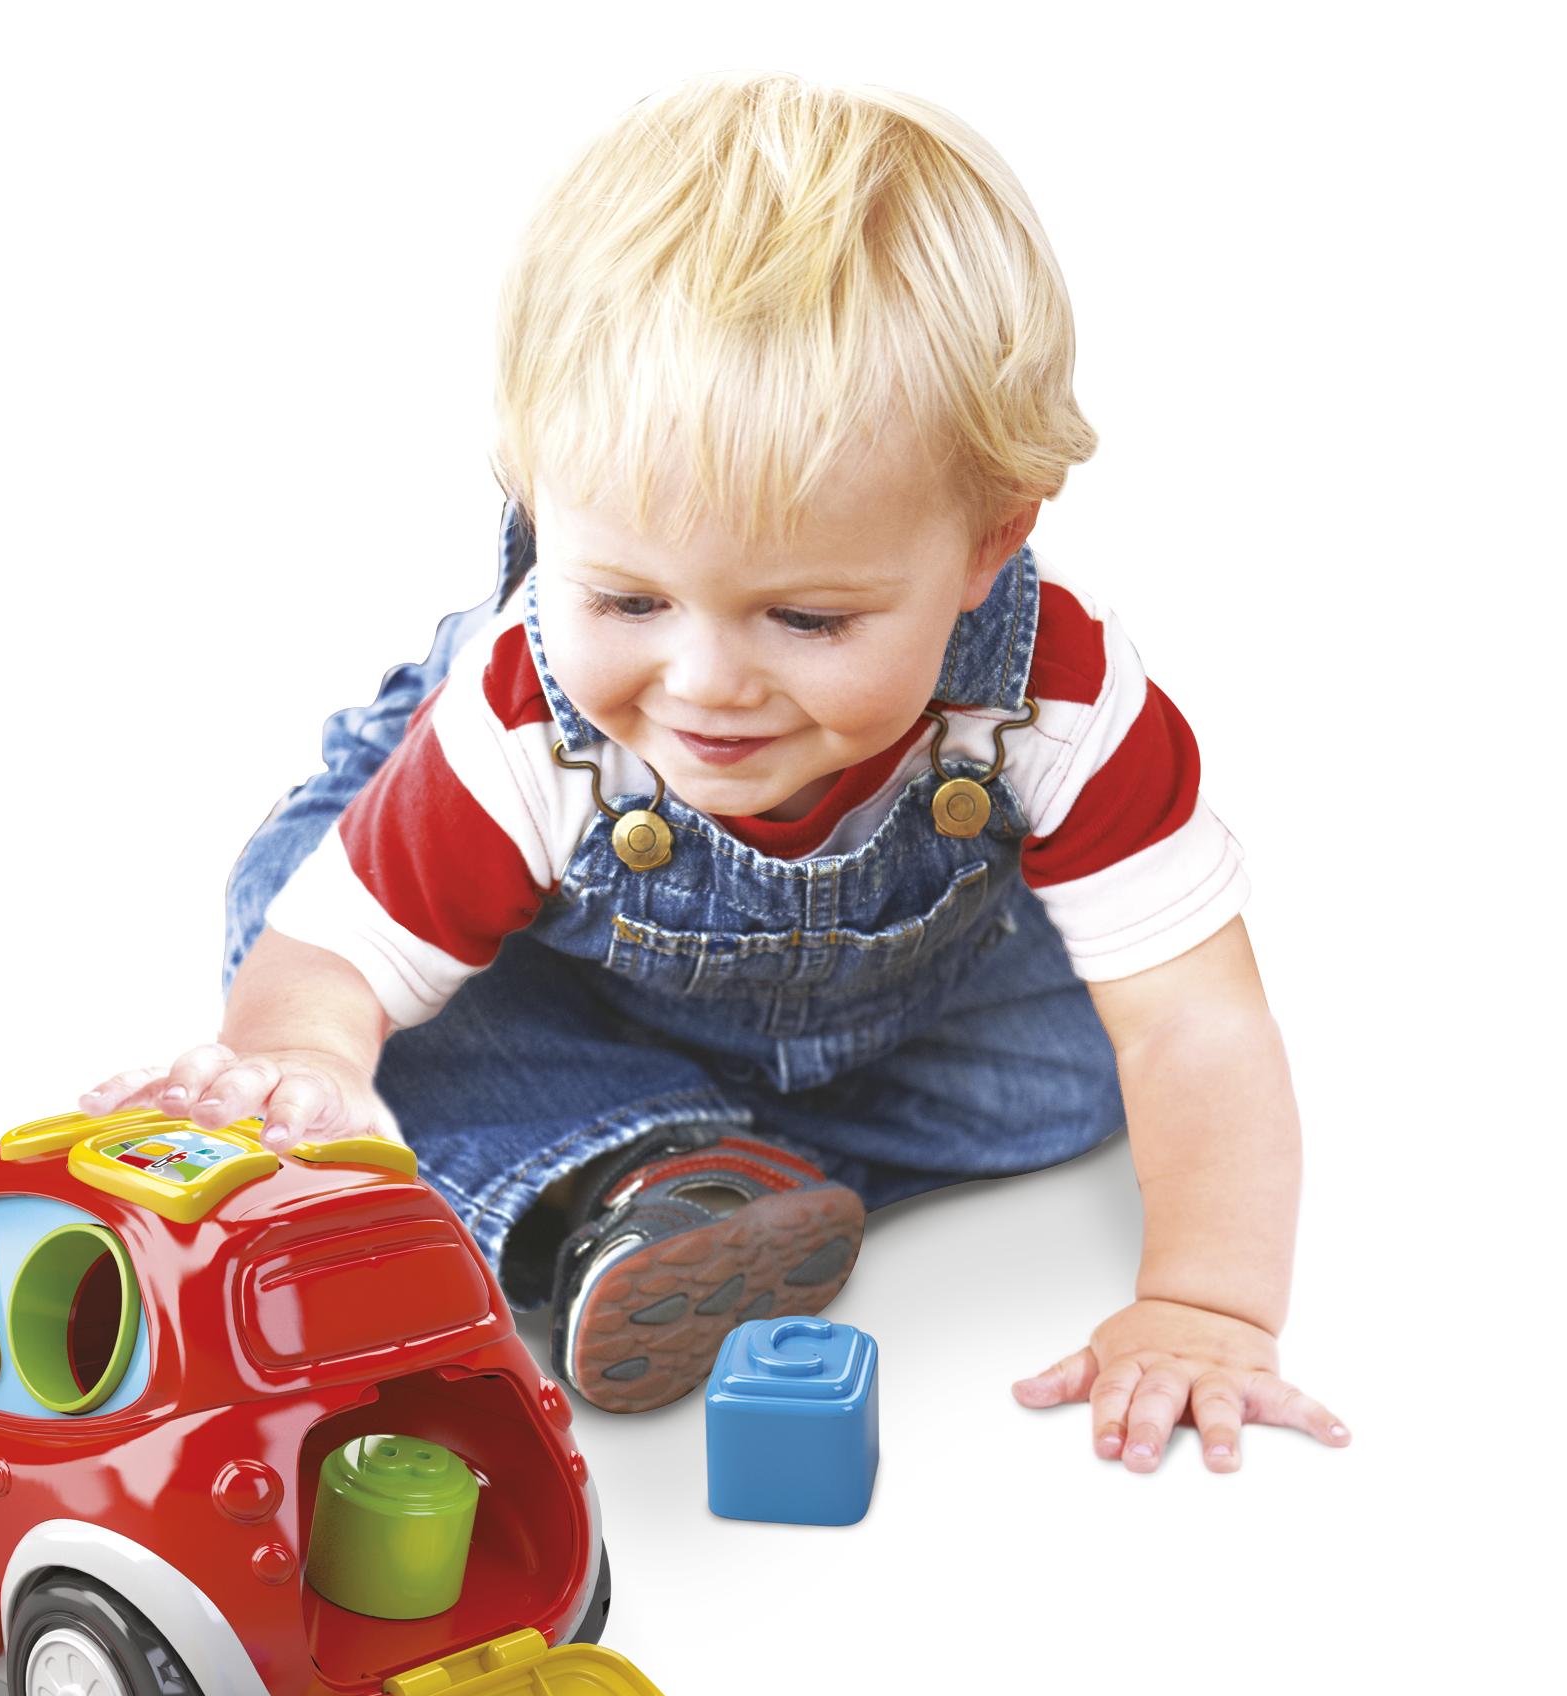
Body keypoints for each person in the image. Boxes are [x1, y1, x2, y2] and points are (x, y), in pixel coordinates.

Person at [79, 73, 1349, 1472]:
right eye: (628, 600)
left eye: (806, 619)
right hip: (578, 972)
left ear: (988, 542)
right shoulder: (531, 719)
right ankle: (636, 1170)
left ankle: (677, 1176)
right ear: (539, 503)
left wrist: (1208, 1303)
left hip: (922, 1003)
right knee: (350, 1003)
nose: (703, 684)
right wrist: (306, 1065)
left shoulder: (1057, 697)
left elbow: (1195, 1023)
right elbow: (330, 966)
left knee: (1086, 1072)